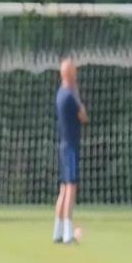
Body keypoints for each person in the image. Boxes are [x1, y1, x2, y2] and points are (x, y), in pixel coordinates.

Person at [53, 58, 89, 244]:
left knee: (63, 188)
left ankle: (57, 231)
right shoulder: (69, 96)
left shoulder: (60, 94)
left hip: (64, 145)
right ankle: (67, 233)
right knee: (70, 188)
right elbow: (83, 116)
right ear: (70, 74)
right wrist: (78, 96)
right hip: (71, 147)